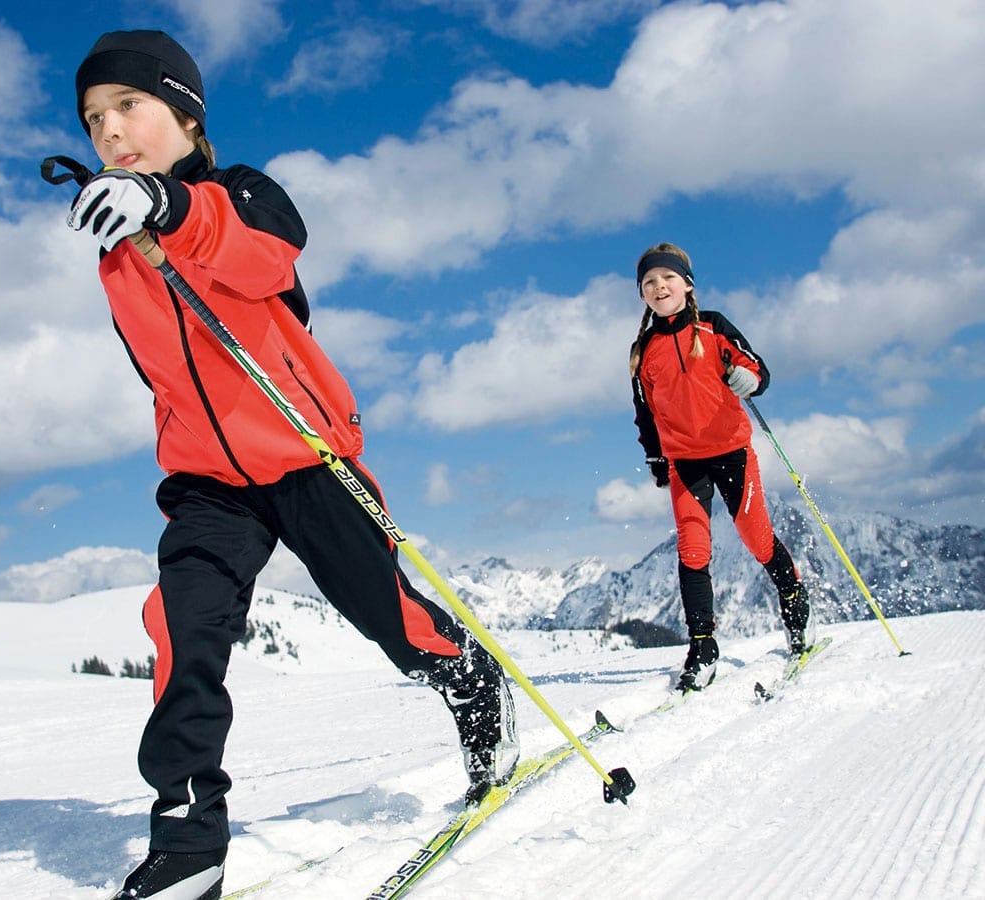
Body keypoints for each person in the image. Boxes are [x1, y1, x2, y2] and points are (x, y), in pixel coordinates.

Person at [61, 30, 519, 900]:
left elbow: (268, 253)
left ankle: (473, 684)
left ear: (186, 114)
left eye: (129, 106)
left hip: (302, 452)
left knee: (394, 620)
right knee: (182, 632)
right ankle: (189, 842)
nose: (110, 131)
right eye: (93, 118)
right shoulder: (113, 252)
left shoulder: (239, 193)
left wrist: (169, 208)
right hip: (207, 479)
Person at [628, 242, 812, 694]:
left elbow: (757, 369)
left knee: (755, 535)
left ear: (686, 284)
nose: (659, 287)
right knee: (693, 550)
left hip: (731, 450)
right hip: (684, 461)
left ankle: (793, 599)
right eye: (650, 283)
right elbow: (645, 412)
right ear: (643, 295)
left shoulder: (712, 326)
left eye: (667, 278)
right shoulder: (644, 350)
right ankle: (703, 644)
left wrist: (750, 378)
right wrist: (655, 456)